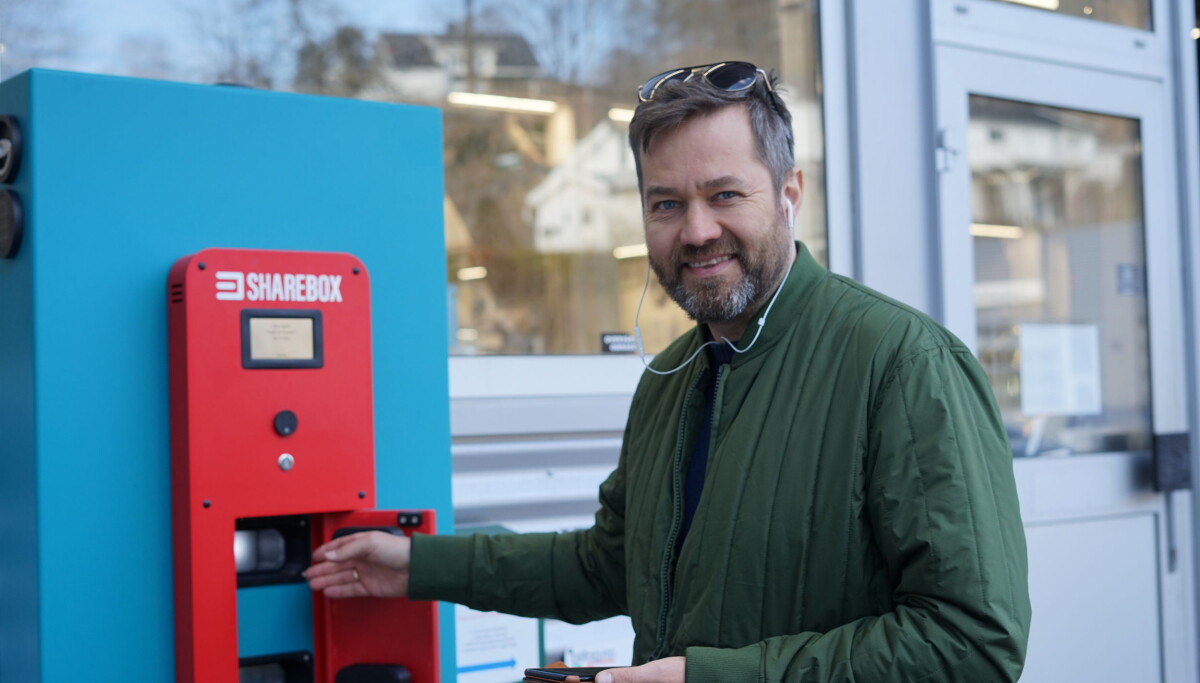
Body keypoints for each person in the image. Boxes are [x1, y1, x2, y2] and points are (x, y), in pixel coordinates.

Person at [306, 61, 1032, 682]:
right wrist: (419, 567)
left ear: (789, 194)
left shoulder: (902, 362)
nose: (696, 230)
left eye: (724, 194)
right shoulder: (674, 374)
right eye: (667, 203)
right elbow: (609, 565)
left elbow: (973, 640)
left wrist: (716, 675)